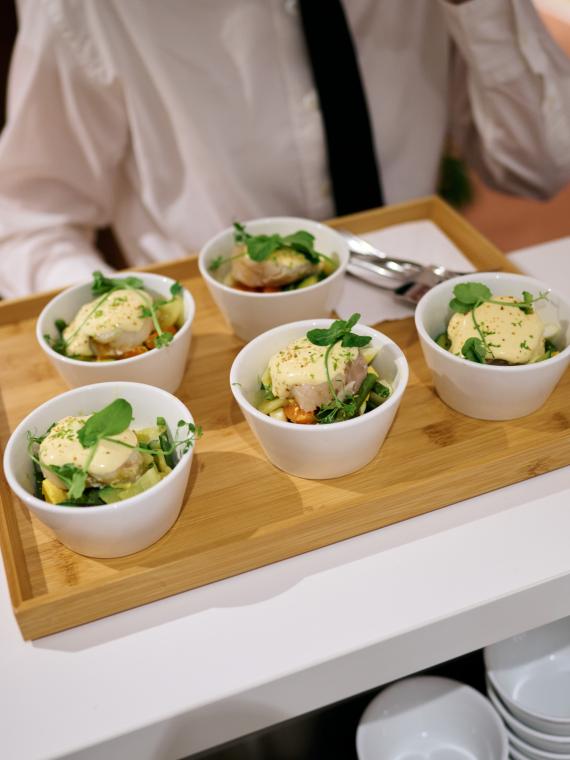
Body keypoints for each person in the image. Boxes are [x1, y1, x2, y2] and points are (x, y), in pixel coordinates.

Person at [0, 0, 569, 298]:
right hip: (219, 345)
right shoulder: (92, 6)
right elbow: (28, 220)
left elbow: (542, 167)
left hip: (417, 306)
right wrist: (132, 329)